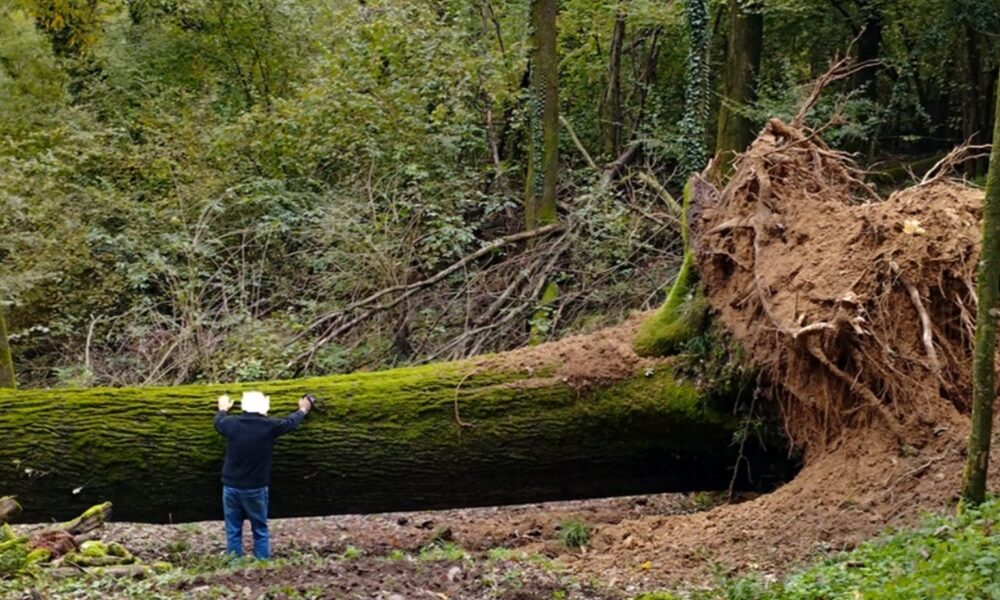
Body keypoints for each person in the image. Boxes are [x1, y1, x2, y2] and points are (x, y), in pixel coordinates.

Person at [213, 390, 313, 560]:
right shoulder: (269, 426)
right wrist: (303, 410)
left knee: (233, 529)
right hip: (255, 488)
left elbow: (218, 421)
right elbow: (290, 422)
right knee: (259, 528)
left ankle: (233, 564)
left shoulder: (230, 424)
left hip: (230, 486)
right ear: (262, 407)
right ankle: (261, 564)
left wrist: (222, 408)